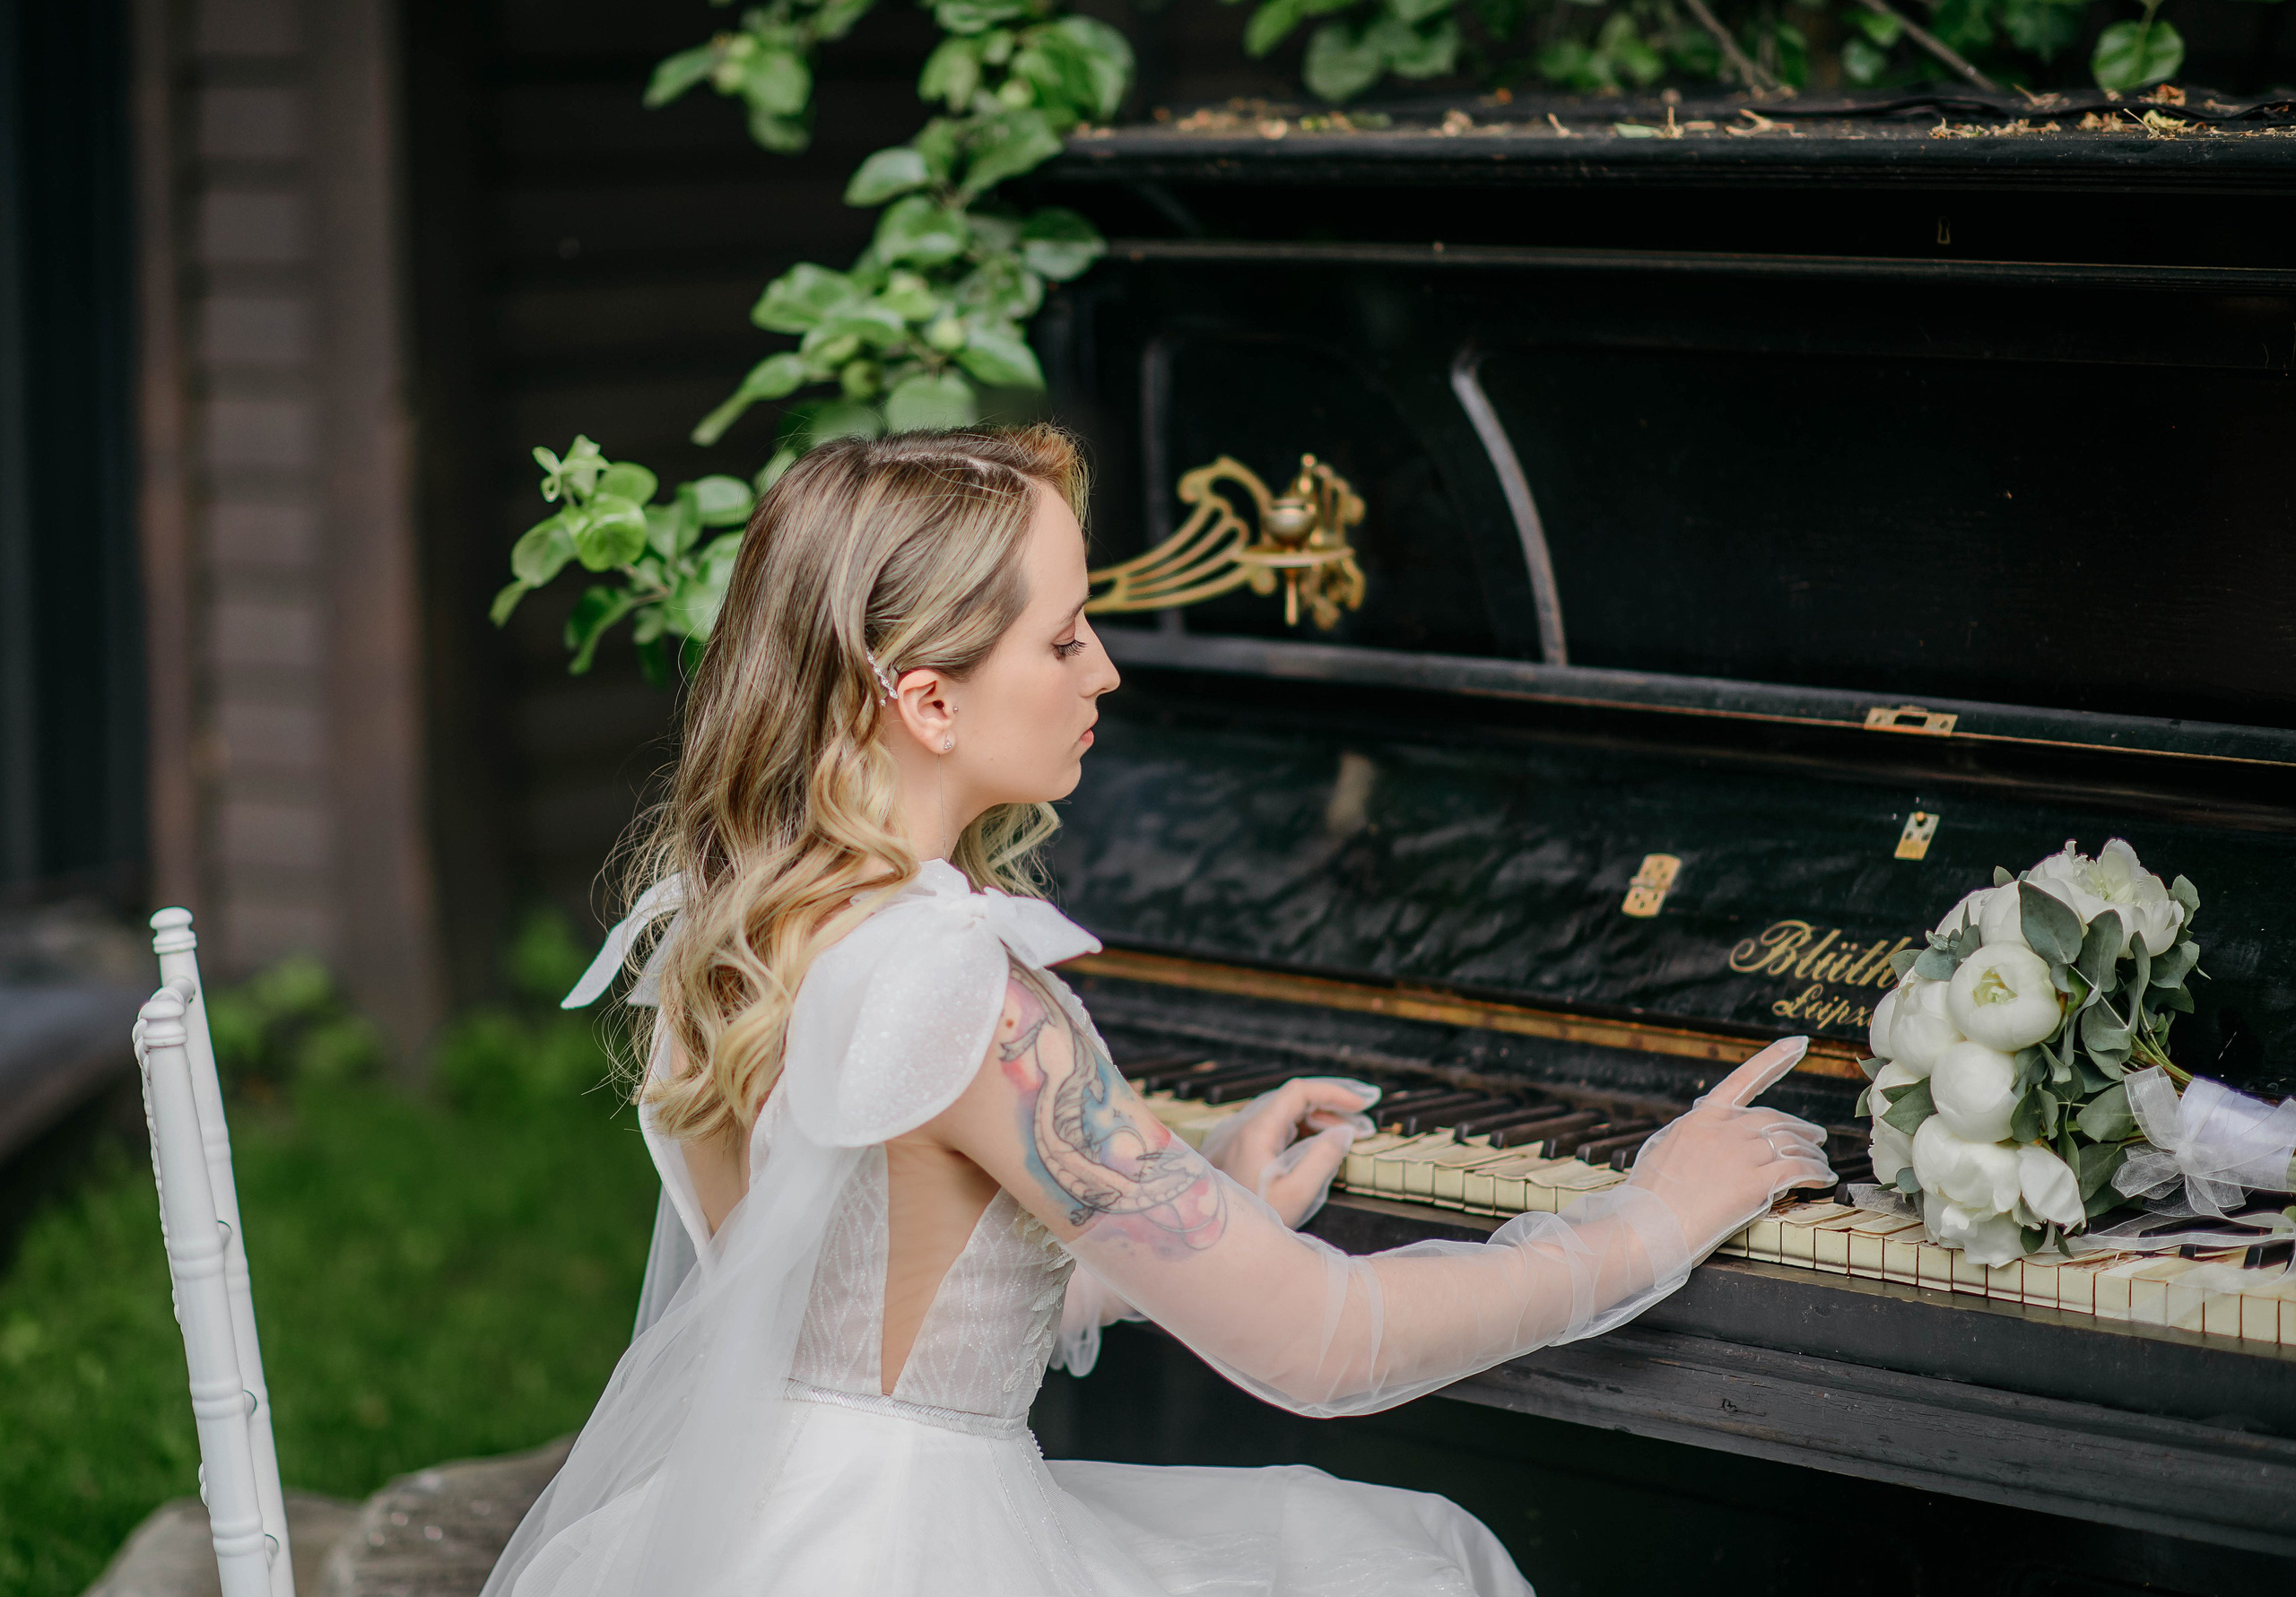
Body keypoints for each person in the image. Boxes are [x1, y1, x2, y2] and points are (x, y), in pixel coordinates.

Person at [483, 425, 1834, 1597]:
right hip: (916, 1550)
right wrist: (1646, 1221)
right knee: (1418, 1560)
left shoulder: (716, 937)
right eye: (1062, 636)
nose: (1107, 670)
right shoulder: (973, 990)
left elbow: (864, 1311)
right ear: (928, 698)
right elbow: (1322, 1343)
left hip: (756, 1531)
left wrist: (1189, 1214)